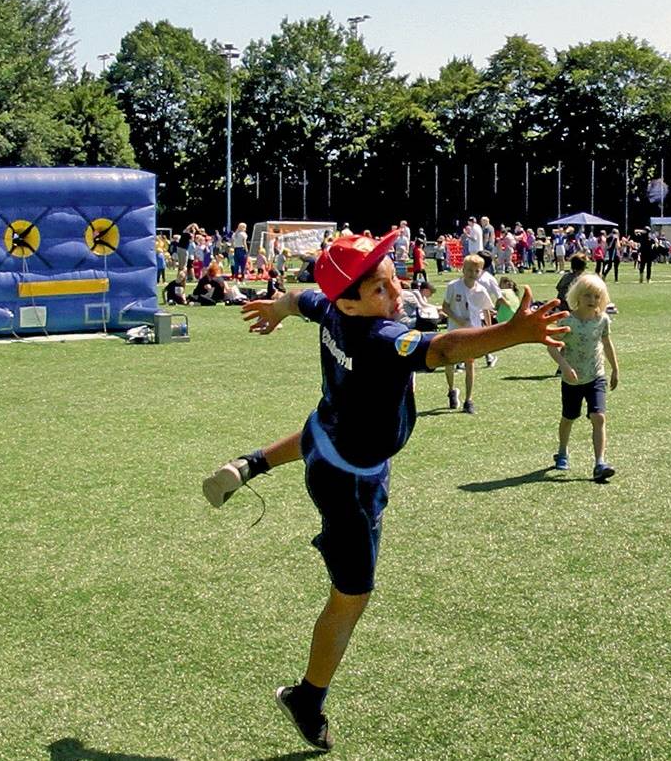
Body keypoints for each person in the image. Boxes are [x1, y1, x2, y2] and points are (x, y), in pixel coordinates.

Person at [199, 232, 566, 753]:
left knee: (321, 428)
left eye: (394, 279)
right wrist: (514, 332)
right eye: (380, 289)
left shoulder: (333, 309)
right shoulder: (377, 340)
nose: (396, 294)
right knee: (351, 597)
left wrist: (278, 308)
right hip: (349, 479)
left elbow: (301, 299)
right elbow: (445, 348)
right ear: (350, 300)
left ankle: (250, 464)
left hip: (332, 431)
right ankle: (307, 697)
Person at [547, 273, 619, 482]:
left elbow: (606, 344)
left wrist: (615, 368)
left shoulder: (602, 319)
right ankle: (562, 451)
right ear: (578, 296)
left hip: (596, 376)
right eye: (588, 295)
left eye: (597, 296)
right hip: (572, 380)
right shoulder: (567, 320)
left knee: (599, 417)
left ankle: (600, 463)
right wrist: (564, 366)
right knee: (569, 418)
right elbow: (551, 346)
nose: (592, 300)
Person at [442, 255, 498, 412]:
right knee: (449, 363)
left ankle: (469, 400)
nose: (472, 273)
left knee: (470, 364)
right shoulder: (453, 286)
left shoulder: (481, 290)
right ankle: (452, 390)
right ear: (463, 269)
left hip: (472, 333)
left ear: (481, 272)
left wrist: (487, 327)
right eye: (469, 270)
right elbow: (445, 307)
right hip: (454, 331)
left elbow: (486, 309)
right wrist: (458, 319)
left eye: (476, 271)